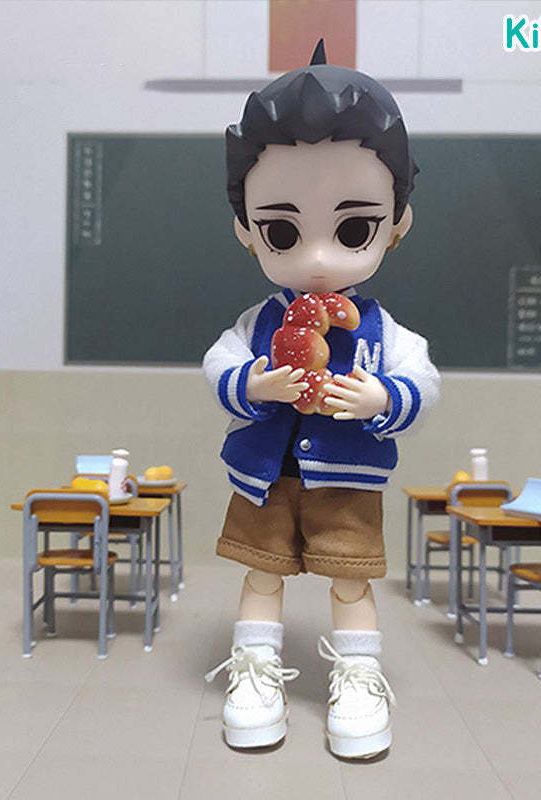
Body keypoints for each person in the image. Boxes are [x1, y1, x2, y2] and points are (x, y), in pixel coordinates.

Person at [203, 40, 440, 759]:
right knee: (261, 573)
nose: (315, 257)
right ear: (246, 230)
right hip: (264, 477)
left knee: (350, 584)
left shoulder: (383, 329)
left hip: (347, 482)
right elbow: (219, 362)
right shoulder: (258, 323)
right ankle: (254, 674)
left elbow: (422, 381)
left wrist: (381, 397)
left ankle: (359, 681)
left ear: (396, 223)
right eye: (281, 230)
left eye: (353, 227)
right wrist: (254, 385)